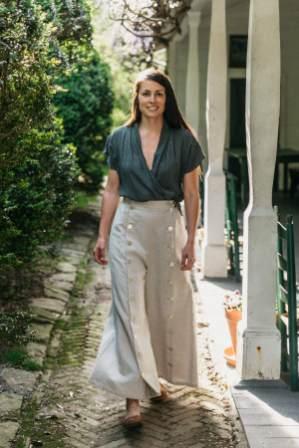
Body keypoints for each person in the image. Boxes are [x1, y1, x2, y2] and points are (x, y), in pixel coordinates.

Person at [89, 68, 205, 428]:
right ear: (136, 99)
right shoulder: (119, 138)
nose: (152, 100)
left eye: (158, 94)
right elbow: (111, 189)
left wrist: (191, 238)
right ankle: (132, 401)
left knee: (162, 305)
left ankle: (154, 378)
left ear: (166, 99)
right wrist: (103, 234)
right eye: (146, 94)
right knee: (129, 308)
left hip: (167, 227)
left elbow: (190, 193)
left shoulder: (184, 139)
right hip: (128, 225)